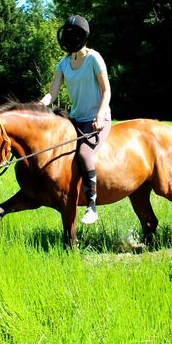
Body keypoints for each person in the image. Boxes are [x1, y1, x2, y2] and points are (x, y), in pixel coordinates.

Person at [40, 15, 112, 225]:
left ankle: (92, 206)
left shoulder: (94, 59)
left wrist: (100, 115)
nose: (70, 38)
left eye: (74, 35)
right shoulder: (63, 64)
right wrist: (40, 104)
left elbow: (106, 90)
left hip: (98, 118)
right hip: (75, 119)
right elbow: (51, 93)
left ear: (83, 36)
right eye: (68, 34)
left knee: (84, 153)